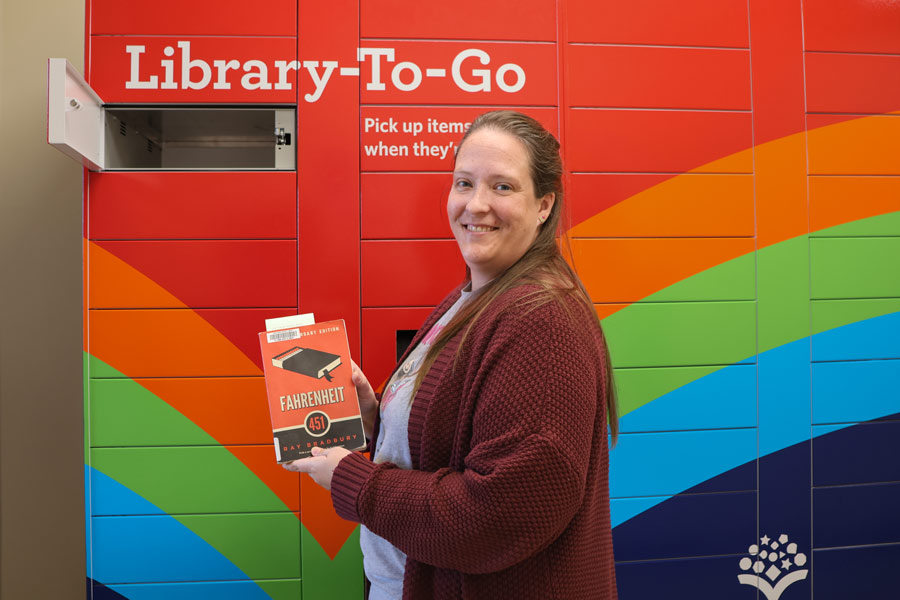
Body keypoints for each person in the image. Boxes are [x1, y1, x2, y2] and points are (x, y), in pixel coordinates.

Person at [285, 110, 619, 599]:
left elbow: (498, 516)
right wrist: (375, 421)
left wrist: (354, 481)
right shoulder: (474, 297)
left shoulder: (541, 322)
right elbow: (454, 440)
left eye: (502, 187)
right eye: (464, 183)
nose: (476, 205)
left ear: (544, 204)